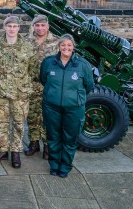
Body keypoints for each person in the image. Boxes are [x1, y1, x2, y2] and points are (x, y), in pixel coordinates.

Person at [0, 15, 37, 169]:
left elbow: (32, 69)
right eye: (9, 26)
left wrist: (20, 82)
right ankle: (2, 149)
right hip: (1, 92)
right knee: (1, 122)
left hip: (20, 93)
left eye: (14, 26)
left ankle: (15, 151)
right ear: (4, 28)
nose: (12, 29)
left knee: (19, 123)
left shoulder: (27, 48)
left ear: (18, 28)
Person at [40, 34, 94, 178]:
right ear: (59, 47)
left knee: (70, 138)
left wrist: (74, 98)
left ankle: (65, 165)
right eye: (63, 45)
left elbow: (89, 85)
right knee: (53, 137)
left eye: (69, 45)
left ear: (73, 47)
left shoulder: (82, 65)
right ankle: (54, 164)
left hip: (74, 109)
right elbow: (43, 79)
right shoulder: (48, 62)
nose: (66, 48)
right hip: (52, 107)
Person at [25, 15, 58, 159]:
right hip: (31, 84)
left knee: (47, 117)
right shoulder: (26, 42)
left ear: (48, 26)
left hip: (48, 86)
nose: (40, 28)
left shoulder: (56, 42)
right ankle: (33, 143)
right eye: (37, 25)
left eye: (43, 25)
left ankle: (47, 146)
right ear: (33, 26)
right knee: (32, 115)